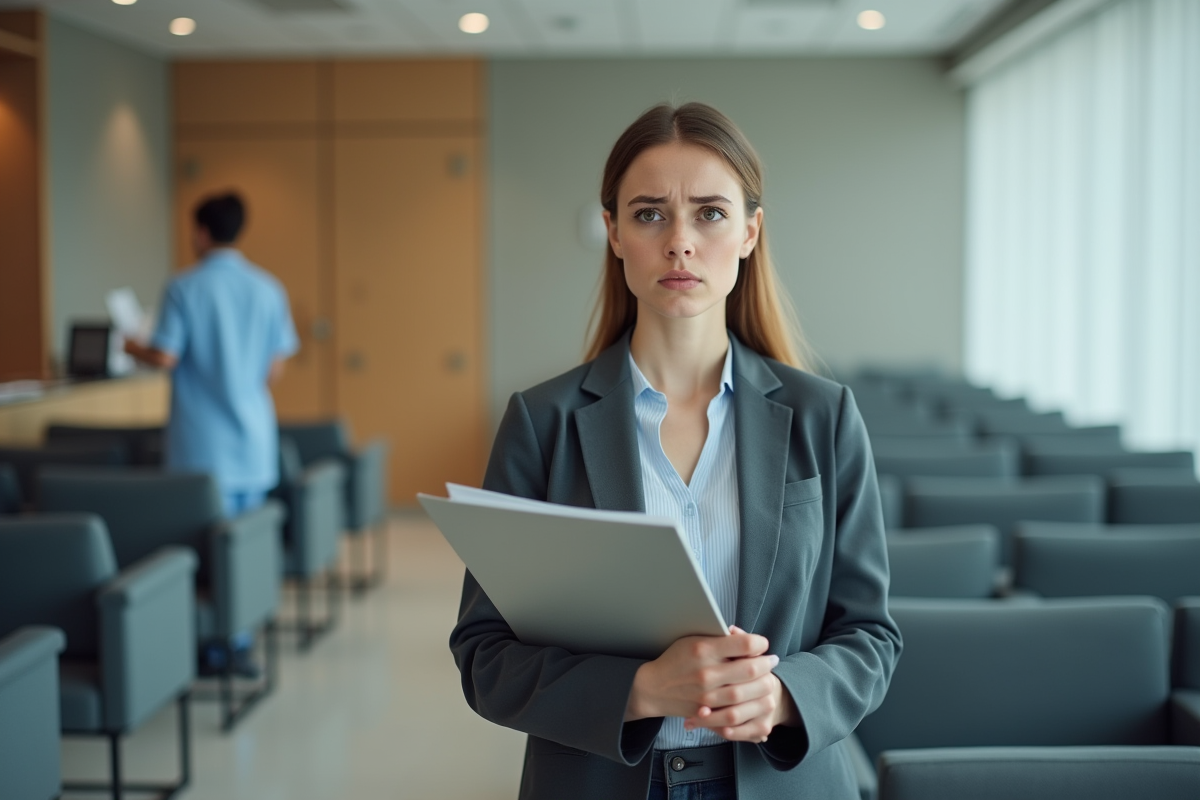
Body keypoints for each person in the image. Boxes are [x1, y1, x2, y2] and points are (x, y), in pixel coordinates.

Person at [450, 103, 901, 800]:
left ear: (750, 232)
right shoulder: (542, 423)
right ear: (614, 232)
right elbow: (485, 656)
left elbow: (870, 635)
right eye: (650, 214)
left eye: (710, 213)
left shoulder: (825, 416)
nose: (680, 242)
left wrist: (785, 696)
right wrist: (640, 689)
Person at [126, 191, 298, 673]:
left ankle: (212, 644)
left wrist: (131, 346)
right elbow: (275, 369)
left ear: (201, 232)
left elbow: (165, 356)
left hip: (201, 444)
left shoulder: (183, 286)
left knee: (206, 549)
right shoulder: (269, 288)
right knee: (245, 547)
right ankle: (240, 640)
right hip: (253, 439)